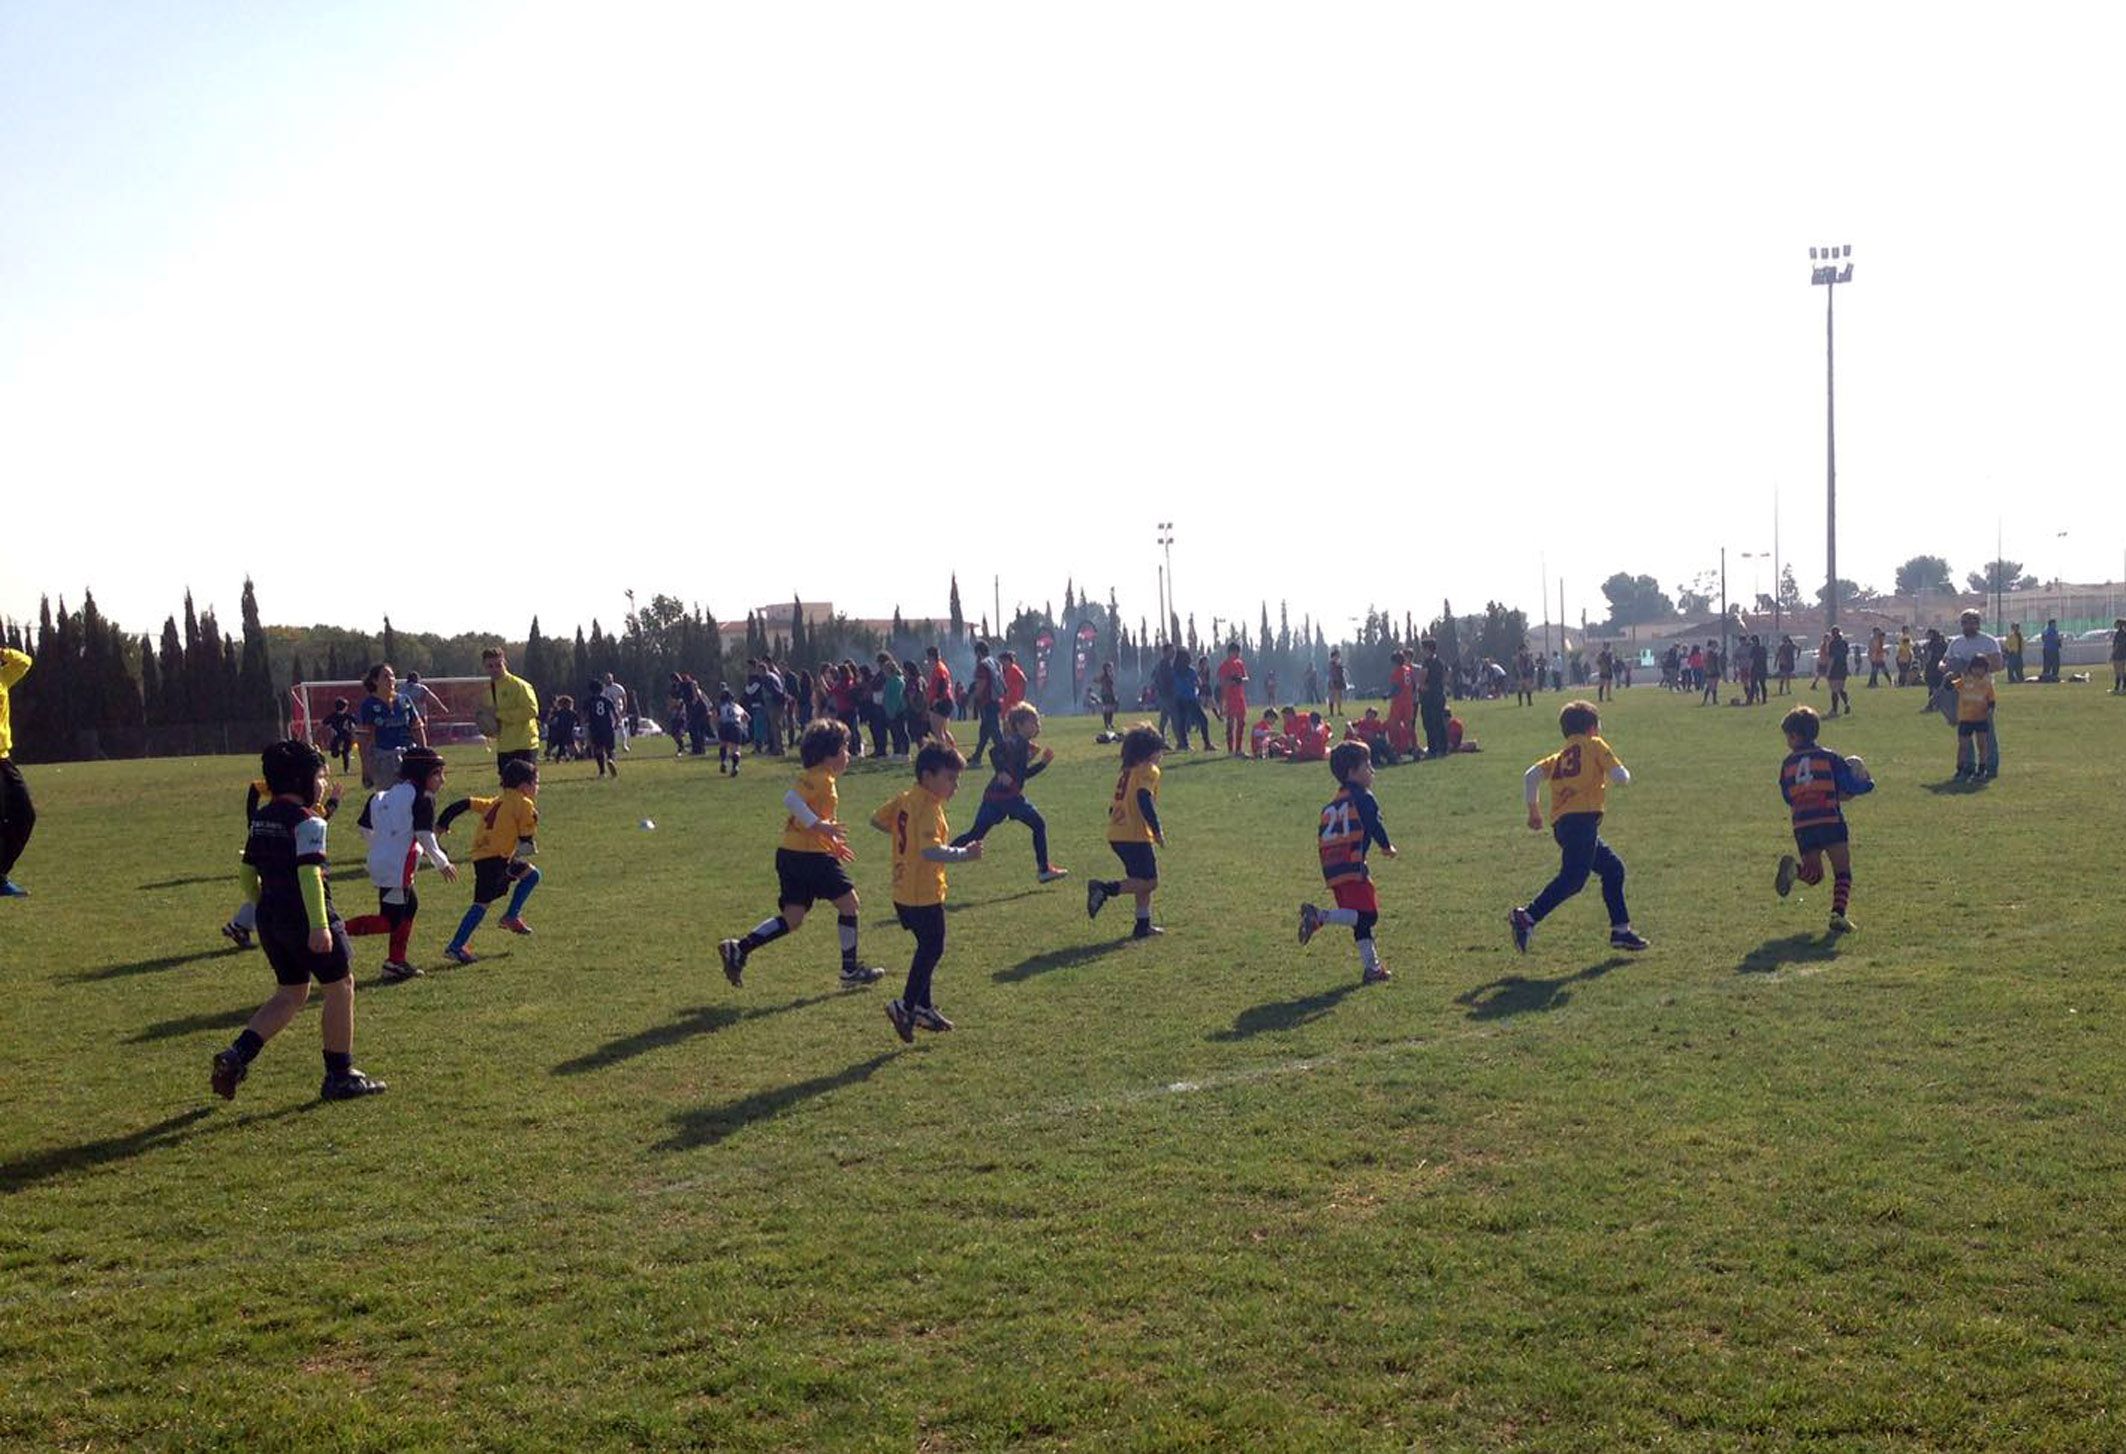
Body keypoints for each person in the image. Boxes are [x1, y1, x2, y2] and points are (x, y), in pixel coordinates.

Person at [210, 739, 386, 1102]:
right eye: (320, 776)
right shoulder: (309, 823)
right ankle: (340, 1074)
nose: (323, 784)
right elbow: (309, 876)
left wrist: (267, 906)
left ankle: (236, 1055)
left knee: (290, 993)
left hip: (271, 919)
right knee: (341, 986)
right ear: (301, 780)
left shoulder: (261, 818)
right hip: (309, 918)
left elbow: (246, 874)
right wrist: (319, 926)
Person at [717, 720, 884, 990]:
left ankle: (740, 948)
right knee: (849, 903)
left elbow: (808, 813)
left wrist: (831, 842)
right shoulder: (819, 776)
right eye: (844, 749)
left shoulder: (821, 777)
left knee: (793, 918)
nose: (849, 755)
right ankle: (850, 970)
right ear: (828, 754)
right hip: (809, 858)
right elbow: (791, 800)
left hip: (793, 854)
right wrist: (818, 826)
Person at [1508, 700, 1648, 954]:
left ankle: (1621, 930)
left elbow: (1531, 776)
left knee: (1613, 869)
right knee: (1573, 879)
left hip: (1564, 826)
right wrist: (1621, 772)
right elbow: (1621, 778)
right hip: (1582, 822)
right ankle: (1527, 917)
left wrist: (1534, 813)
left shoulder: (1560, 756)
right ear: (1592, 727)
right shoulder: (1594, 745)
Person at [873, 742, 983, 1041]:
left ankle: (922, 1007)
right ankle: (905, 1005)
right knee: (933, 948)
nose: (955, 786)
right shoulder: (929, 808)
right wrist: (965, 854)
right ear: (927, 775)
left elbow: (877, 820)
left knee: (927, 946)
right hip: (922, 892)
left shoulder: (906, 798)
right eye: (950, 778)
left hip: (902, 889)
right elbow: (931, 851)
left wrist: (902, 838)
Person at [345, 745, 456, 980]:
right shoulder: (423, 797)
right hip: (398, 867)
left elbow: (364, 827)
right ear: (421, 774)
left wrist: (382, 845)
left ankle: (395, 962)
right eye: (437, 773)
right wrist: (442, 862)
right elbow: (425, 834)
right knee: (390, 919)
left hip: (382, 861)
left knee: (409, 906)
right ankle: (335, 932)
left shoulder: (382, 795)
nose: (442, 780)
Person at [1298, 740, 1397, 984]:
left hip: (1334, 867)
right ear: (1353, 771)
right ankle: (1320, 916)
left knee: (1359, 920)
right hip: (1353, 866)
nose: (1372, 770)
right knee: (1368, 916)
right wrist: (1386, 847)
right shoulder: (1363, 797)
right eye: (1368, 765)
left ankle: (1372, 968)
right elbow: (1374, 826)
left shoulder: (1335, 801)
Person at [1773, 706, 1872, 934]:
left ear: (1795, 736)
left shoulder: (1787, 765)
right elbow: (1850, 787)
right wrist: (1867, 784)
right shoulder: (1830, 758)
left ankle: (1796, 871)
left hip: (1803, 824)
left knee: (1814, 874)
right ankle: (1838, 914)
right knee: (1842, 870)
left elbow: (1788, 796)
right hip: (1829, 820)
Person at [436, 757, 542, 964]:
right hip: (494, 860)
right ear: (524, 786)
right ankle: (455, 947)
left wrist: (443, 822)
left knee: (531, 875)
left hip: (488, 857)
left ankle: (512, 916)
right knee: (481, 905)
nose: (537, 787)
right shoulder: (524, 804)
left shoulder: (497, 801)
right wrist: (531, 828)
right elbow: (526, 843)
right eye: (536, 782)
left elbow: (464, 803)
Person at [224, 770, 341, 949]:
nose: (324, 783)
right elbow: (255, 788)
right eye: (320, 777)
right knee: (279, 888)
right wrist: (253, 821)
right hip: (276, 845)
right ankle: (240, 925)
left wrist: (333, 801)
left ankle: (240, 925)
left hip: (284, 860)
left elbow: (322, 818)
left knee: (274, 888)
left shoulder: (311, 807)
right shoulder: (284, 787)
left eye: (325, 777)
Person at [951, 703, 1068, 882]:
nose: (1037, 725)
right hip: (1006, 797)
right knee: (1037, 824)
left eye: (1037, 721)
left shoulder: (1023, 744)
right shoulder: (1015, 741)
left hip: (998, 797)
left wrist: (1043, 763)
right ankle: (1044, 870)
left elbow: (1022, 776)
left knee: (975, 834)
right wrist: (1001, 772)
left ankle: (942, 855)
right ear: (1019, 725)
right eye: (1032, 721)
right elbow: (993, 752)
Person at [1087, 723, 1166, 939]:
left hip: (1117, 833)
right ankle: (1104, 889)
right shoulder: (1148, 770)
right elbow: (1144, 799)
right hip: (1134, 834)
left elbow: (1113, 806)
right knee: (1150, 881)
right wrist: (1156, 830)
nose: (1162, 755)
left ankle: (1142, 925)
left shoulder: (1127, 772)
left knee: (1139, 880)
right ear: (1149, 753)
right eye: (1160, 750)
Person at [1940, 610, 2003, 775]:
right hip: (1963, 696)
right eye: (1965, 622)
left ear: (1978, 623)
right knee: (1964, 735)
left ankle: (1989, 767)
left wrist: (1972, 666)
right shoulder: (1956, 643)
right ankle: (1967, 767)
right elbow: (1944, 661)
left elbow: (1997, 664)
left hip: (1982, 695)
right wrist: (1946, 667)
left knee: (1986, 733)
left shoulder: (1988, 641)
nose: (1968, 625)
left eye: (1972, 622)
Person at [0, 643, 35, 898]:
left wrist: (3, 653)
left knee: (25, 815)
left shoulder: (2, 678)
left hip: (3, 758)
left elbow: (24, 663)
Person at [481, 647, 541, 781]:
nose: (494, 669)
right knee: (508, 791)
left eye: (498, 665)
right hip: (504, 747)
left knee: (525, 788)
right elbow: (490, 717)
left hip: (524, 745)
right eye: (490, 666)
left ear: (505, 663)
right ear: (484, 667)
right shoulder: (488, 690)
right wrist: (487, 725)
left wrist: (500, 715)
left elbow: (532, 710)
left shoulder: (519, 685)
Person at [355, 663, 415, 790]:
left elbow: (417, 728)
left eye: (392, 676)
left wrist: (424, 753)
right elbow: (363, 740)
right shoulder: (368, 705)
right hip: (384, 758)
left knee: (413, 796)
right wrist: (366, 767)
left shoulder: (405, 700)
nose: (390, 679)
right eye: (385, 676)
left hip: (409, 755)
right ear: (375, 681)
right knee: (389, 799)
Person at [1948, 656, 1997, 781]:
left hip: (1981, 718)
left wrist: (1990, 710)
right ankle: (1960, 769)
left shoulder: (1987, 684)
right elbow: (1951, 686)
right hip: (1965, 718)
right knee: (1963, 745)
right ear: (1971, 668)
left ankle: (1981, 770)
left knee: (1982, 745)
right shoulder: (1965, 681)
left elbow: (1991, 699)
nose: (1978, 671)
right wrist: (1949, 678)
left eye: (1981, 669)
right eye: (1975, 668)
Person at [965, 641, 1002, 768]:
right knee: (985, 732)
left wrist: (972, 698)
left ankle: (1007, 757)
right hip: (995, 700)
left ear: (978, 652)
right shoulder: (994, 662)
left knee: (995, 733)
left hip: (987, 702)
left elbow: (982, 683)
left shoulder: (982, 665)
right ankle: (977, 757)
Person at [1171, 645, 1211, 751]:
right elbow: (1199, 684)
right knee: (1203, 720)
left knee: (1182, 723)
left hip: (1179, 700)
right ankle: (1207, 743)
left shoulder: (1174, 672)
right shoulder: (1190, 671)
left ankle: (1184, 744)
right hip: (1190, 699)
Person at [1217, 642, 1251, 756]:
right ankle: (1230, 749)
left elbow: (1246, 678)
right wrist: (1231, 681)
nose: (1238, 655)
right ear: (1231, 652)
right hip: (1230, 697)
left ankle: (1238, 748)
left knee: (1241, 723)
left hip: (1240, 697)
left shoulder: (1240, 664)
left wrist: (1240, 679)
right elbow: (1222, 682)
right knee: (1230, 724)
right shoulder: (1224, 666)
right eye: (1236, 652)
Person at [583, 677, 620, 778]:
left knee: (598, 749)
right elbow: (615, 713)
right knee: (610, 748)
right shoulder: (606, 700)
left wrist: (585, 725)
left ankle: (602, 772)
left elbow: (585, 716)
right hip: (607, 727)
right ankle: (610, 759)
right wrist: (616, 722)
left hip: (595, 728)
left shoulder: (588, 701)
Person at [1384, 650, 1417, 759]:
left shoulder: (1397, 672)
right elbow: (1413, 686)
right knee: (1409, 726)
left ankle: (1396, 750)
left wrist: (1387, 695)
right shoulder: (1408, 670)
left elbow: (1396, 689)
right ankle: (1414, 747)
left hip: (1399, 703)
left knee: (1393, 726)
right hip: (1409, 702)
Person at [715, 688, 749, 775]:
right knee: (736, 749)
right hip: (735, 726)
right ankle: (735, 766)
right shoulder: (736, 706)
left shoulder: (720, 706)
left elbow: (716, 718)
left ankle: (723, 762)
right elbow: (747, 717)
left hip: (724, 726)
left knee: (723, 745)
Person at [322, 697, 357, 772]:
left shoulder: (348, 716)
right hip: (337, 736)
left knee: (346, 752)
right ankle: (339, 752)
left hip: (346, 736)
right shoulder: (333, 716)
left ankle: (346, 769)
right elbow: (324, 723)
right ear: (344, 707)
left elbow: (356, 724)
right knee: (335, 754)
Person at [1825, 627, 1852, 717]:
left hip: (1835, 668)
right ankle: (1847, 704)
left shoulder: (1832, 644)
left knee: (1834, 690)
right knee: (1840, 688)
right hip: (1843, 667)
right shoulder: (1844, 643)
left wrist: (1828, 671)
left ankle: (1834, 710)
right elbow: (1846, 655)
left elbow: (1832, 658)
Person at [602, 673, 632, 754]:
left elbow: (624, 698)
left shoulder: (618, 688)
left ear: (612, 678)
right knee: (609, 730)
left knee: (621, 728)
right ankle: (611, 746)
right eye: (606, 678)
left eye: (609, 678)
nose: (608, 680)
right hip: (608, 712)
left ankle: (624, 745)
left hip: (618, 710)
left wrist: (624, 710)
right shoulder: (603, 689)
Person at [544, 695, 579, 763]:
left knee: (561, 746)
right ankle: (559, 756)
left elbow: (550, 720)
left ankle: (557, 756)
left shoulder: (558, 712)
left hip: (559, 732)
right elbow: (577, 721)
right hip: (566, 732)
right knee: (566, 747)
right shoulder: (571, 713)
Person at [1096, 660, 1119, 735]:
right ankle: (1106, 723)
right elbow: (1097, 680)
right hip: (1105, 693)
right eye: (1109, 667)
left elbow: (1112, 684)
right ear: (1106, 668)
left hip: (1110, 693)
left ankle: (1110, 722)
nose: (1111, 668)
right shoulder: (1104, 676)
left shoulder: (1111, 674)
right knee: (1107, 708)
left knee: (1111, 708)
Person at [2039, 618, 2064, 682]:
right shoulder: (2052, 631)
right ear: (2051, 624)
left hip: (2048, 649)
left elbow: (2043, 638)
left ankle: (2046, 676)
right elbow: (2056, 639)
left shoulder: (2046, 631)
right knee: (2054, 664)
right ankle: (2053, 677)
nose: (2055, 625)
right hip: (2052, 650)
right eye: (2054, 624)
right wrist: (2060, 641)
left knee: (2048, 664)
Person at [1326, 649, 1346, 718]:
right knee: (1331, 697)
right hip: (1333, 682)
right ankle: (1331, 713)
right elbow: (1330, 674)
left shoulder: (1339, 663)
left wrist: (1344, 681)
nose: (1338, 656)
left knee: (1339, 698)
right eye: (1337, 655)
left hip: (1339, 682)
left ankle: (1339, 711)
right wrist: (1331, 682)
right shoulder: (1331, 664)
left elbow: (1342, 673)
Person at [2112, 618, 2126, 695]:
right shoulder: (2123, 633)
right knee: (2122, 672)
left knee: (2118, 672)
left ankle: (2119, 688)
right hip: (2123, 654)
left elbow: (2117, 645)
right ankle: (2121, 687)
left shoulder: (2119, 634)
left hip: (2119, 655)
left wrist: (2112, 654)